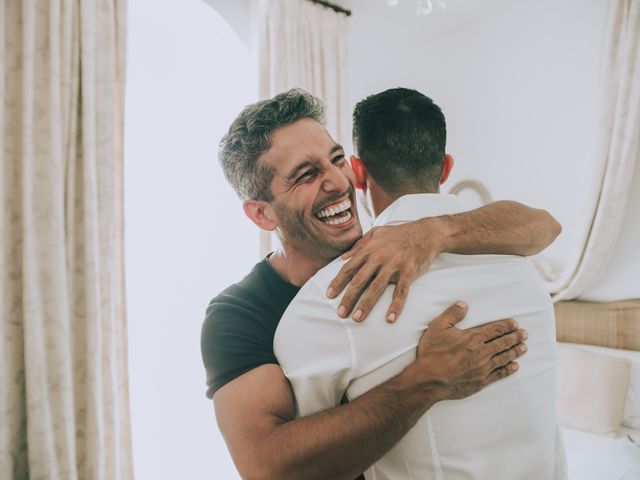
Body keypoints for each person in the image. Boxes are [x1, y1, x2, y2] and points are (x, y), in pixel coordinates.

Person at [201, 88, 561, 480]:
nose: (338, 181)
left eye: (337, 159)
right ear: (260, 214)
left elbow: (543, 226)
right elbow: (266, 467)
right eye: (307, 174)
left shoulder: (404, 244)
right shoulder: (237, 317)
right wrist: (427, 379)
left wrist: (435, 232)